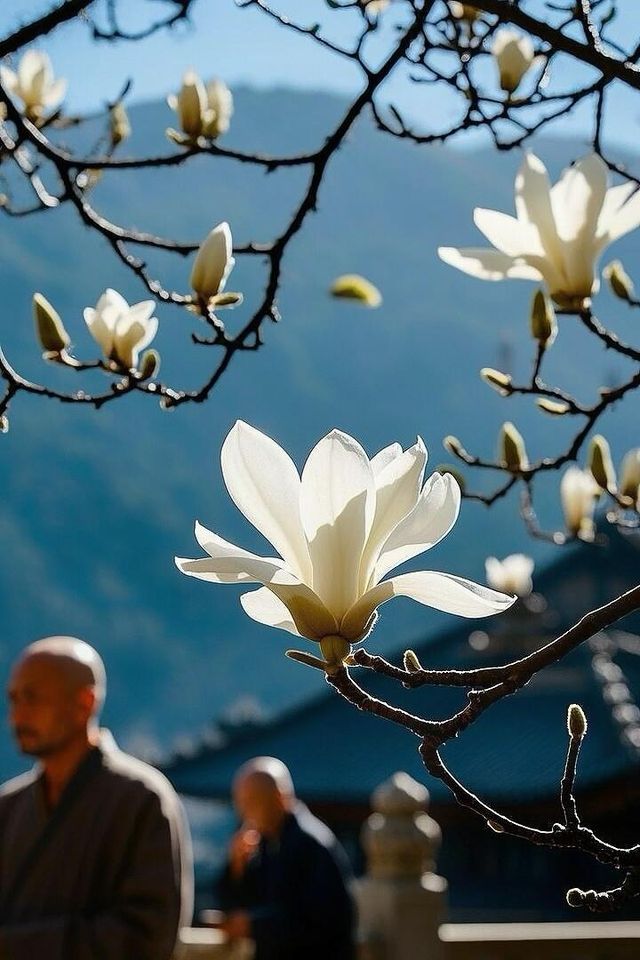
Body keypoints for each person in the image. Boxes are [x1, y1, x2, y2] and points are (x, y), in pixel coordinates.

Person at [0, 635, 193, 960]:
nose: (16, 717)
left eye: (31, 699)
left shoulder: (141, 799)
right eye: (13, 700)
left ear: (84, 703)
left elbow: (147, 935)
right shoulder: (8, 806)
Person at [215, 756, 356, 960]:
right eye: (241, 804)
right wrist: (236, 867)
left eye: (252, 802)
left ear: (280, 797)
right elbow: (239, 903)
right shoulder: (264, 844)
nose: (245, 814)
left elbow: (322, 920)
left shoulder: (311, 843)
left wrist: (254, 925)